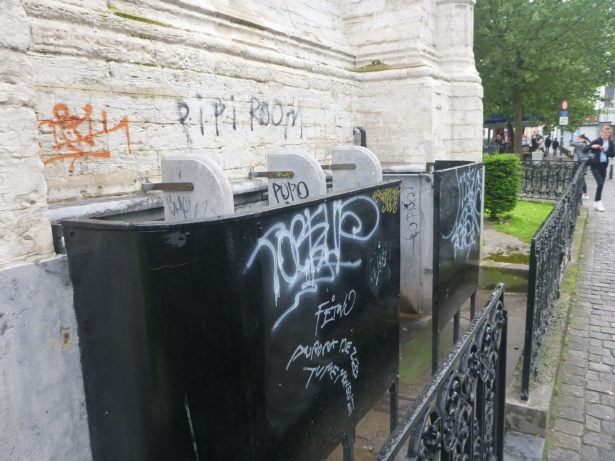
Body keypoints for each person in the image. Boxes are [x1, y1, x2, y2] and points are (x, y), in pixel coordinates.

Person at [585, 125, 614, 211]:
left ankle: (596, 202)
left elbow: (612, 154)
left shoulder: (611, 142)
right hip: (595, 165)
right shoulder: (597, 140)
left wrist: (605, 150)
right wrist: (592, 147)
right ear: (601, 132)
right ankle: (598, 201)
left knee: (600, 185)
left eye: (608, 133)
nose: (606, 134)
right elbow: (585, 149)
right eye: (605, 132)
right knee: (600, 183)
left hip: (604, 166)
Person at [570, 134, 590, 199]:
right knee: (580, 177)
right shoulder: (585, 144)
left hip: (581, 163)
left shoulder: (581, 144)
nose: (577, 140)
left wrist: (578, 141)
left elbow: (571, 143)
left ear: (583, 139)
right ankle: (582, 192)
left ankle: (585, 193)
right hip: (583, 162)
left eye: (578, 138)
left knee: (580, 177)